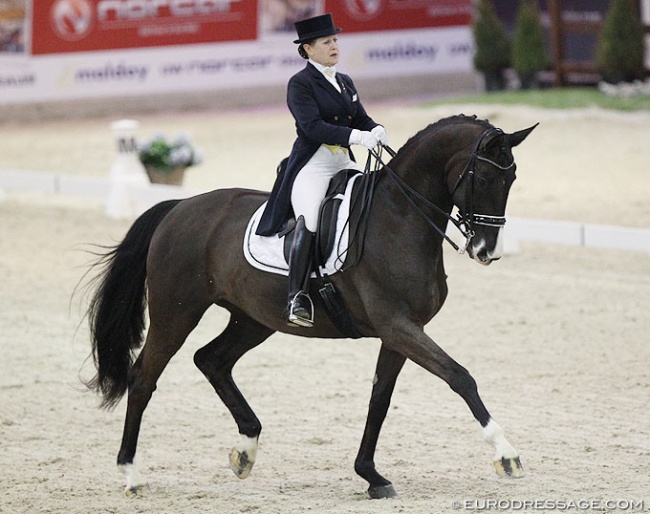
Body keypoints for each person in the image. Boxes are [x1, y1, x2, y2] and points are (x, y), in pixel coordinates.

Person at [255, 13, 388, 328]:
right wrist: (357, 136)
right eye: (326, 41)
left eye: (335, 40)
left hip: (343, 161)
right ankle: (296, 297)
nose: (334, 46)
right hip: (313, 163)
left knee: (372, 204)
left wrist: (376, 128)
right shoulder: (300, 84)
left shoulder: (344, 82)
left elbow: (361, 119)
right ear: (308, 49)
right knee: (311, 218)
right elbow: (312, 127)